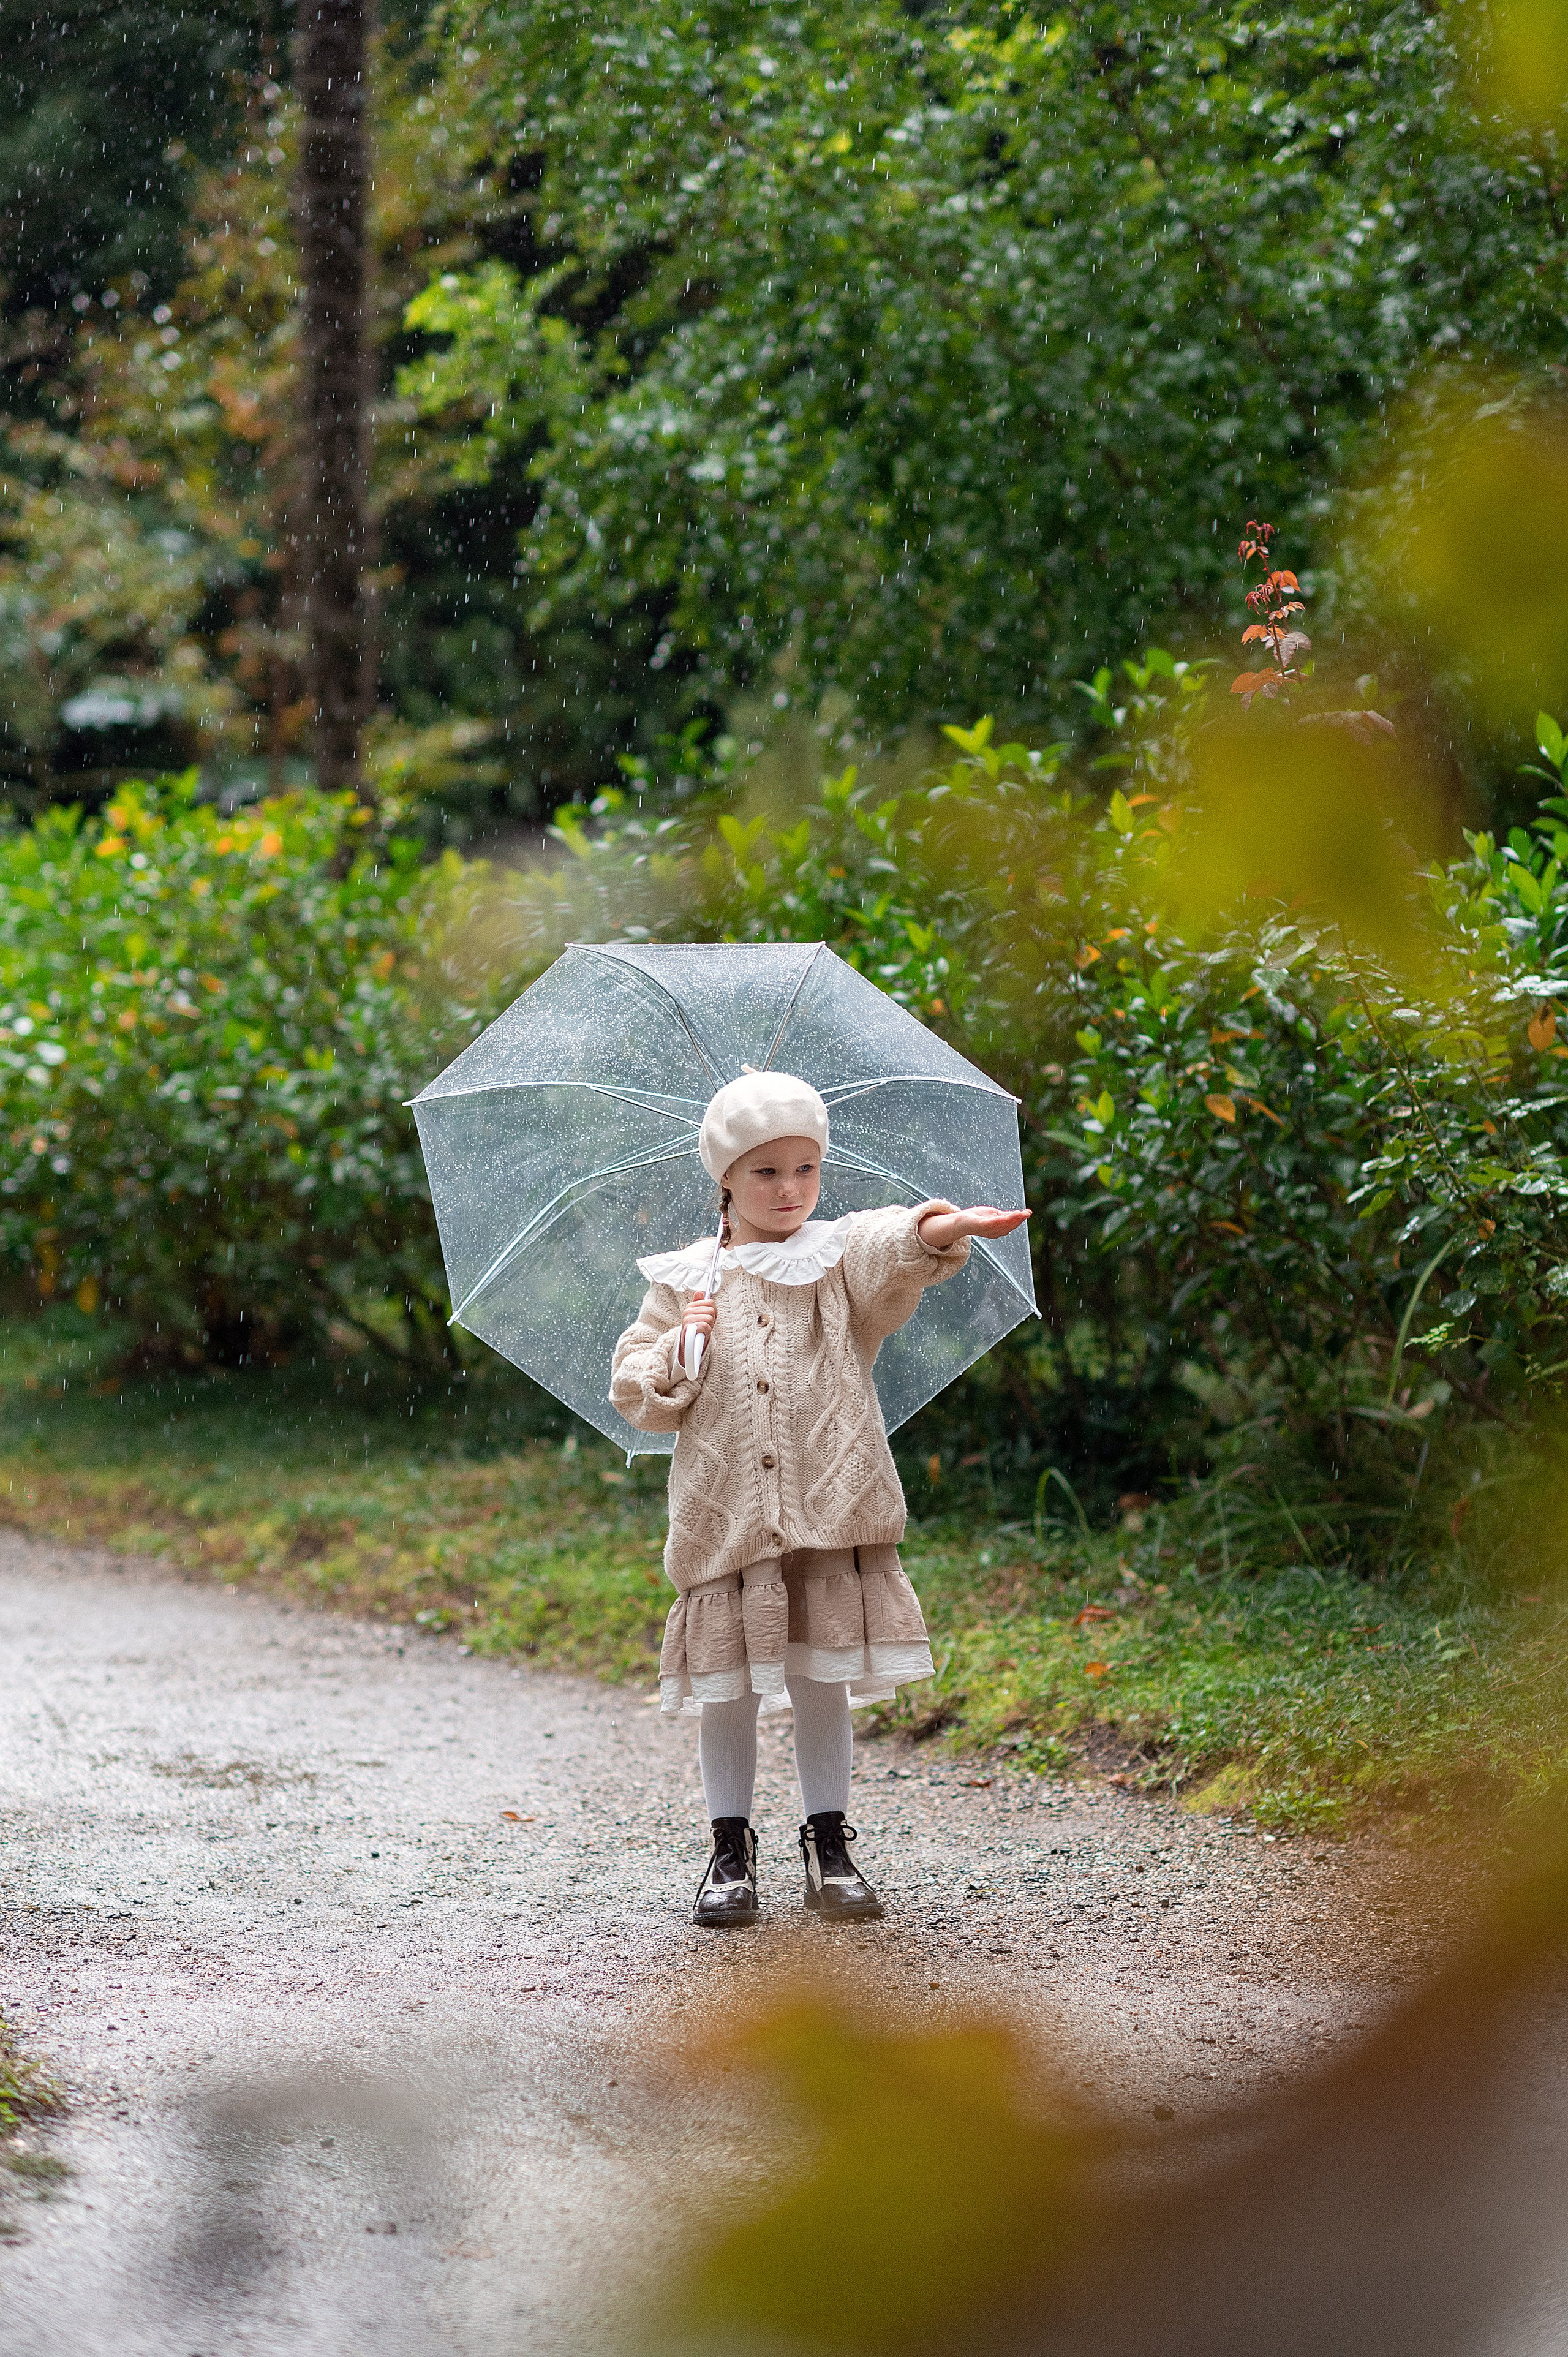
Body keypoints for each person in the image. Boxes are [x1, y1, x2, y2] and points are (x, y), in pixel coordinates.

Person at [609, 1069, 1029, 1928]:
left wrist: (939, 1226)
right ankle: (730, 1850)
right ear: (725, 1178)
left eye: (807, 1168)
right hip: (724, 1516)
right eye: (767, 1172)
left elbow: (887, 1245)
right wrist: (682, 1347)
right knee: (728, 1685)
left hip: (830, 1507)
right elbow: (640, 1390)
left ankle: (829, 1843)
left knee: (819, 1676)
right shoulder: (685, 1280)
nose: (791, 1189)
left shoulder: (836, 1262)